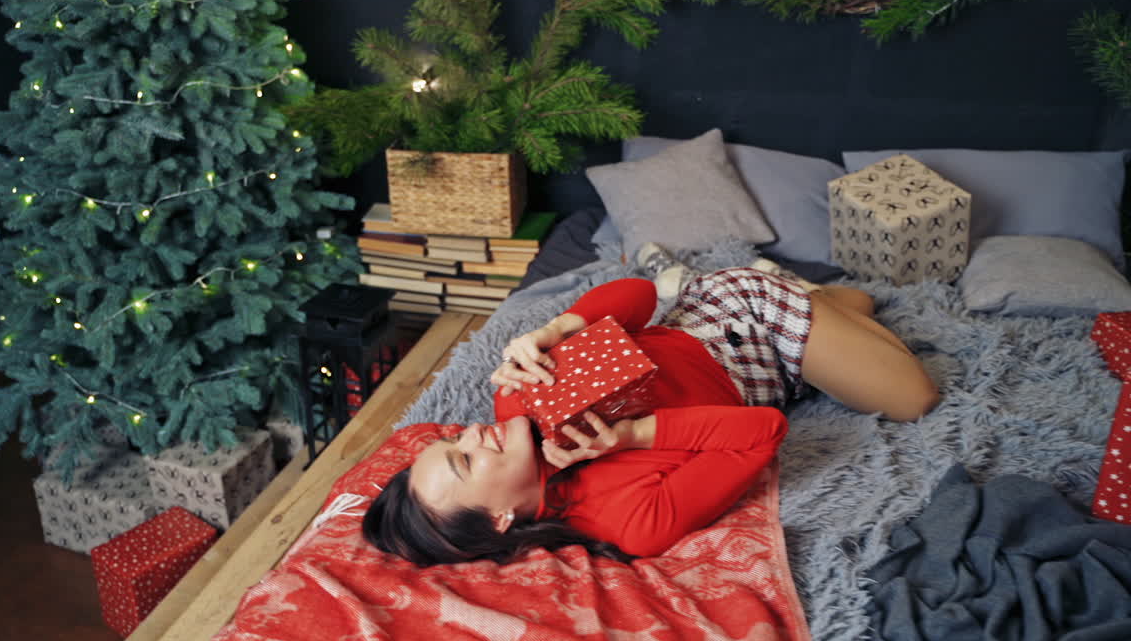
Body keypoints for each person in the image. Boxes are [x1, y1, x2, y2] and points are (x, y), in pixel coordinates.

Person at [362, 246, 940, 567]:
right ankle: (807, 298)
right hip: (770, 382)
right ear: (499, 520)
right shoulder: (627, 522)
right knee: (864, 309)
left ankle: (772, 289)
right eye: (464, 460)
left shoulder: (518, 393)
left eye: (454, 439)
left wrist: (558, 328)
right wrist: (634, 436)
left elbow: (640, 295)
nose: (472, 434)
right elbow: (764, 430)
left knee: (914, 399)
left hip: (728, 320)